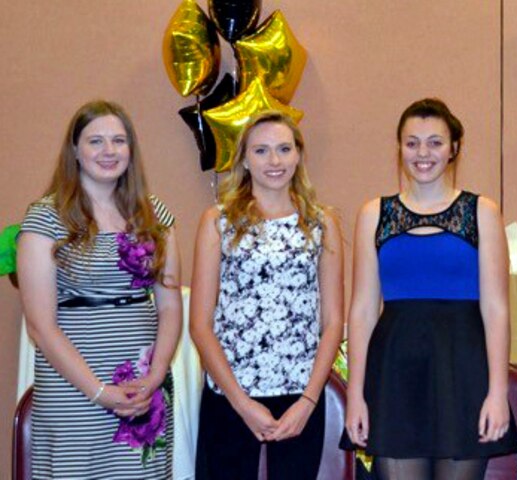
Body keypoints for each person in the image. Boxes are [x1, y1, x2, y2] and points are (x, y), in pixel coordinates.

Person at [344, 98, 517, 479]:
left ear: (454, 148)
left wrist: (497, 392)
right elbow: (362, 311)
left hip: (465, 374)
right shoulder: (374, 214)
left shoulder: (482, 212)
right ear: (400, 148)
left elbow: (496, 310)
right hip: (394, 376)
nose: (423, 153)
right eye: (412, 143)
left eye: (435, 142)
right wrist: (356, 396)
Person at [17, 100, 181, 478]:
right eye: (96, 141)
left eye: (118, 141)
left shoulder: (154, 214)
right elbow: (40, 325)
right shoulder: (45, 217)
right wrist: (99, 391)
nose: (109, 151)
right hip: (73, 389)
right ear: (75, 150)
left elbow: (170, 306)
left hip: (143, 388)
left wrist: (155, 376)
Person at [190, 111, 344, 479]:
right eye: (261, 151)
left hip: (299, 399)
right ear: (244, 159)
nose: (274, 160)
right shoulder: (218, 221)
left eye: (284, 149)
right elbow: (200, 324)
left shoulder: (322, 223)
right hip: (231, 395)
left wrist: (308, 401)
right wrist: (241, 404)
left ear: (298, 155)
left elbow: (333, 321)